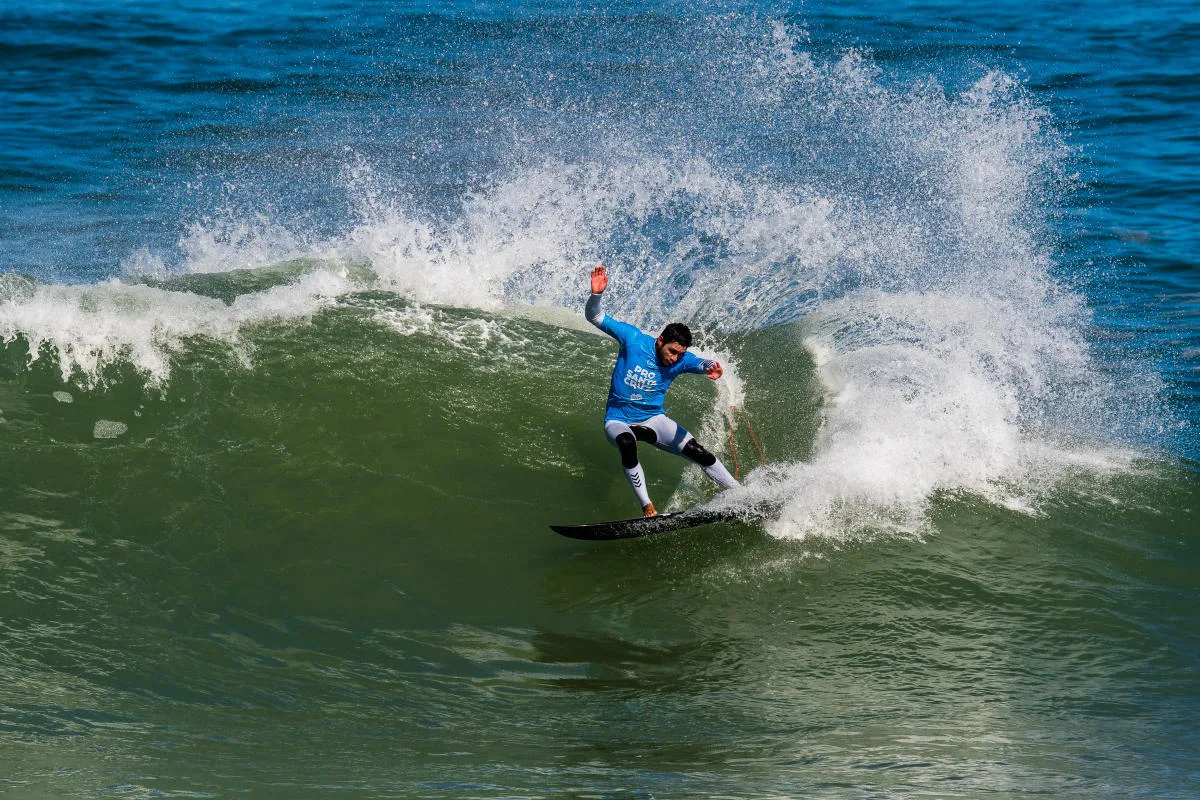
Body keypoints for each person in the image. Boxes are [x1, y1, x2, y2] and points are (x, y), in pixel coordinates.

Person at [585, 265, 740, 517]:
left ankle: (738, 493)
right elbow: (595, 317)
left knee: (697, 452)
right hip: (618, 419)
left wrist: (709, 366)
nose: (674, 358)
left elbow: (699, 362)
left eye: (679, 354)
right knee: (627, 443)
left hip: (653, 418)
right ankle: (648, 507)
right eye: (672, 351)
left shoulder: (680, 360)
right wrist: (596, 295)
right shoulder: (632, 339)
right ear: (660, 340)